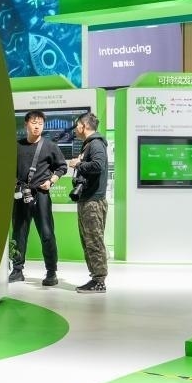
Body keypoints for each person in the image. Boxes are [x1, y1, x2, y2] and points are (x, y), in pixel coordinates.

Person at [10, 110, 68, 285]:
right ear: (26, 124)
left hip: (41, 195)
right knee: (18, 233)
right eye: (34, 122)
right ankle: (17, 270)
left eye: (41, 123)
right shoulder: (17, 146)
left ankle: (51, 272)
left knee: (47, 233)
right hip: (21, 195)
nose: (37, 126)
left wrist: (51, 181)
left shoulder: (50, 146)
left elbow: (62, 167)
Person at [67, 113, 109, 294]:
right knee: (88, 241)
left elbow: (98, 165)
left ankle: (99, 281)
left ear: (83, 126)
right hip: (87, 200)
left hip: (93, 202)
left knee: (94, 242)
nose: (75, 129)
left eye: (77, 125)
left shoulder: (96, 144)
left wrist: (78, 164)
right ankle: (95, 278)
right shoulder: (89, 144)